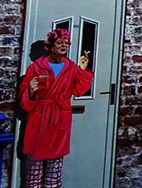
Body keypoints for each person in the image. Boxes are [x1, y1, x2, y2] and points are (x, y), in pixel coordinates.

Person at [19, 28, 92, 188]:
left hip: (59, 121)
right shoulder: (35, 68)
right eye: (60, 42)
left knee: (54, 171)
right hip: (39, 120)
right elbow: (23, 102)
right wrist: (31, 90)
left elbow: (79, 91)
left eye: (66, 43)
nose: (64, 46)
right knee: (33, 172)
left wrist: (83, 70)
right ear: (50, 46)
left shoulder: (71, 67)